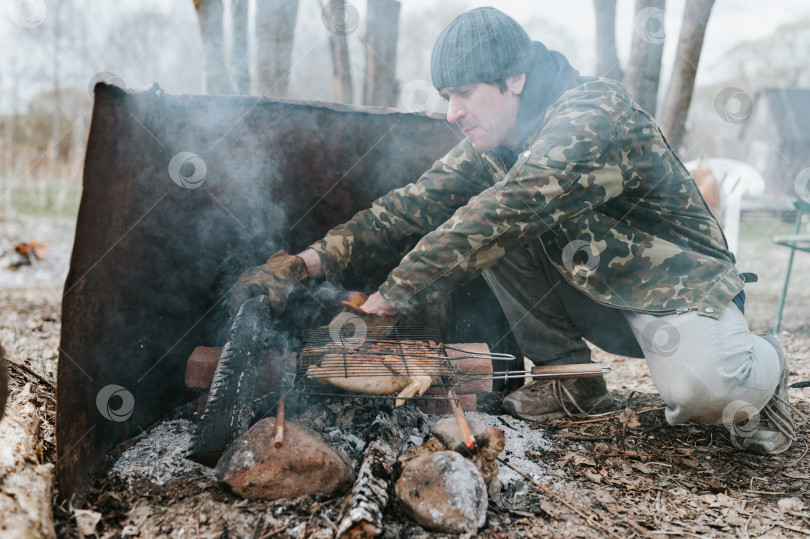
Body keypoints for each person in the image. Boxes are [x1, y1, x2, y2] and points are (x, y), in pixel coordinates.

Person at [228, 7, 800, 455]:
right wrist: (306, 262)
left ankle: (761, 364)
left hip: (679, 292)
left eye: (463, 94)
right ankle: (568, 381)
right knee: (482, 222)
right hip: (598, 292)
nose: (452, 111)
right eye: (446, 97)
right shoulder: (498, 141)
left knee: (701, 392)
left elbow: (509, 207)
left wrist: (392, 296)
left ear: (515, 79)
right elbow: (411, 205)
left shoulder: (590, 115)